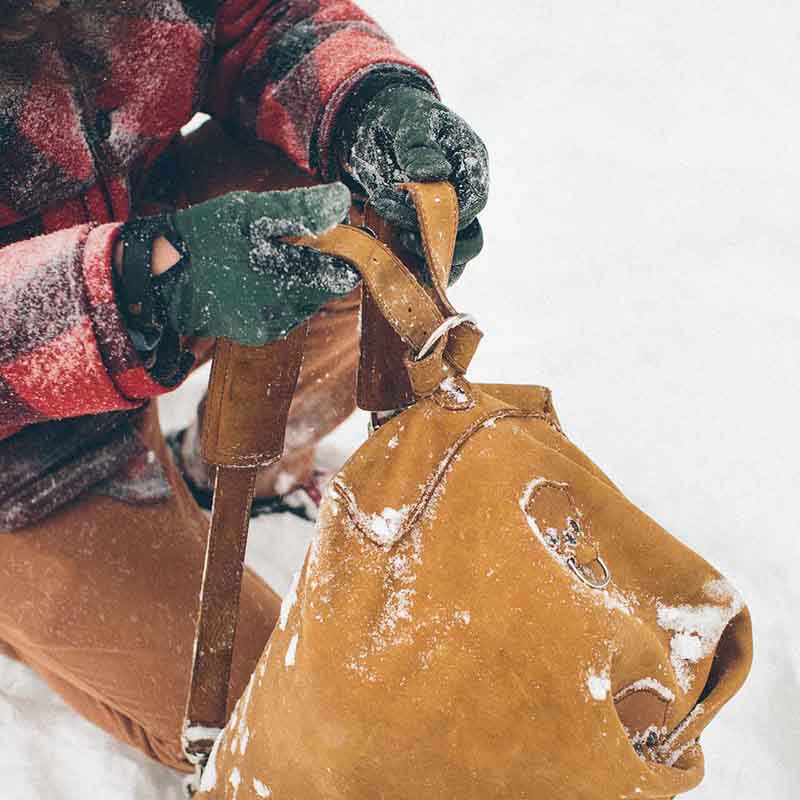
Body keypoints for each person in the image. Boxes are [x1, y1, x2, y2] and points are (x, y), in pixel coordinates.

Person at [0, 0, 489, 775]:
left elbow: (258, 19)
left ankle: (243, 469)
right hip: (17, 456)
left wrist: (369, 103)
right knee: (293, 721)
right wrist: (151, 281)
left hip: (141, 231)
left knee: (354, 212)